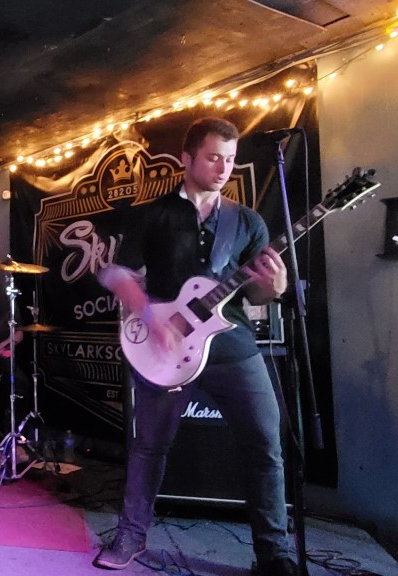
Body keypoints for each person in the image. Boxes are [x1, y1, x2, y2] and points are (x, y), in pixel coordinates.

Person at [94, 118, 294, 575]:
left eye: (230, 159)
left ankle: (274, 553)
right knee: (149, 446)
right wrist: (151, 318)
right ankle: (131, 536)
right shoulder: (154, 213)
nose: (224, 168)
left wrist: (276, 286)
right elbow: (117, 274)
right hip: (166, 347)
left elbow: (257, 293)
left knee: (265, 446)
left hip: (232, 345)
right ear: (187, 158)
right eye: (213, 157)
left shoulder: (247, 221)